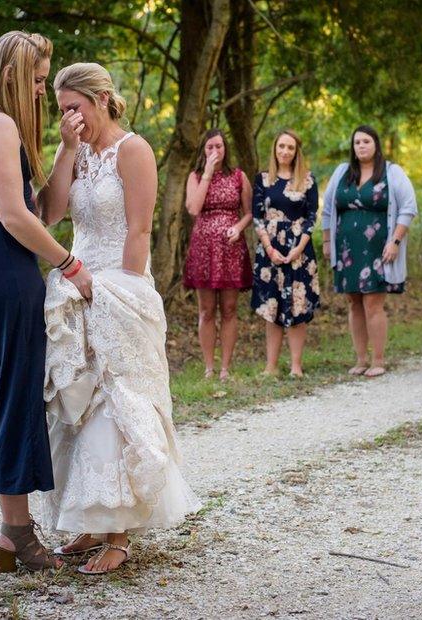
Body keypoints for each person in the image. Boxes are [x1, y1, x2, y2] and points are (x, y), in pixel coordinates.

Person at [37, 63, 201, 575]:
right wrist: (64, 147)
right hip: (75, 281)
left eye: (75, 107)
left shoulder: (134, 150)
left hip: (118, 286)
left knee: (115, 400)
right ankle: (88, 521)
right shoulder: (77, 151)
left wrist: (121, 295)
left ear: (102, 98)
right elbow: (51, 214)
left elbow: (140, 229)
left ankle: (120, 535)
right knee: (76, 404)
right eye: (62, 109)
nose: (69, 116)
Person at [0, 31, 91, 572]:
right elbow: (13, 216)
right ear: (11, 75)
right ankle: (17, 534)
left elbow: (44, 210)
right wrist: (69, 265)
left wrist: (68, 150)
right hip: (2, 269)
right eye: (34, 80)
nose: (40, 92)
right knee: (16, 396)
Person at [321, 125, 418, 377]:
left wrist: (395, 241)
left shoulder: (391, 172)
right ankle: (361, 359)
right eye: (357, 142)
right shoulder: (343, 172)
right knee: (354, 302)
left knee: (373, 302)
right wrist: (326, 241)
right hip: (347, 248)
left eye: (366, 141)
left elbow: (408, 207)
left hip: (379, 249)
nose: (361, 146)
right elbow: (329, 210)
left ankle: (378, 360)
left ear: (376, 144)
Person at [183, 129, 254, 380]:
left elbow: (248, 212)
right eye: (210, 147)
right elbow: (193, 208)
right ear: (203, 149)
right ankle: (209, 367)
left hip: (231, 248)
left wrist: (238, 227)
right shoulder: (196, 176)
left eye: (219, 147)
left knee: (230, 308)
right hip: (204, 247)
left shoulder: (238, 176)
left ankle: (225, 367)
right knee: (206, 309)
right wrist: (208, 174)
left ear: (226, 149)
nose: (215, 151)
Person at [250, 130, 321, 377]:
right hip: (270, 250)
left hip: (300, 251)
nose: (285, 151)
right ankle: (270, 366)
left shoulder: (308, 180)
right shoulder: (263, 179)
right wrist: (269, 248)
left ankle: (296, 366)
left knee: (297, 307)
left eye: (290, 147)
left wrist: (297, 250)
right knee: (272, 307)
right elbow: (257, 217)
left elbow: (312, 218)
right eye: (281, 146)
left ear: (296, 152)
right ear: (275, 148)